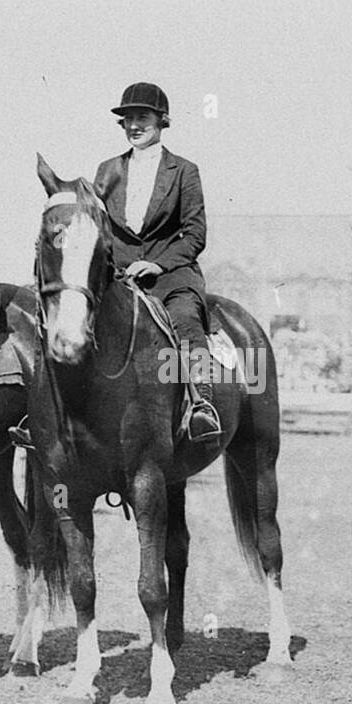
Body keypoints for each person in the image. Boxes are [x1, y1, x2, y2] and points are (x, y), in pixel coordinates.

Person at [93, 82, 221, 442]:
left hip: (169, 278)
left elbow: (195, 235)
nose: (134, 125)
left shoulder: (184, 171)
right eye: (128, 118)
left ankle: (201, 405)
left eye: (142, 117)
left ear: (162, 121)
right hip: (118, 278)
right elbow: (97, 227)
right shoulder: (106, 170)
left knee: (185, 320)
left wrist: (157, 265)